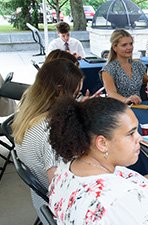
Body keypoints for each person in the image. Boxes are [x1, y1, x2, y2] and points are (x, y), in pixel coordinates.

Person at [10, 59, 85, 225]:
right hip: (62, 208)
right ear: (59, 92)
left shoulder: (29, 115)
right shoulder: (53, 132)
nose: (76, 100)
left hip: (41, 201)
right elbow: (62, 192)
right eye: (75, 94)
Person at [100, 29, 148, 105]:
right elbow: (111, 94)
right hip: (119, 109)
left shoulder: (138, 66)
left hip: (138, 107)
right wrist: (126, 100)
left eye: (131, 44)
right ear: (114, 48)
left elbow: (147, 81)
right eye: (124, 45)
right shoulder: (108, 69)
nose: (129, 48)